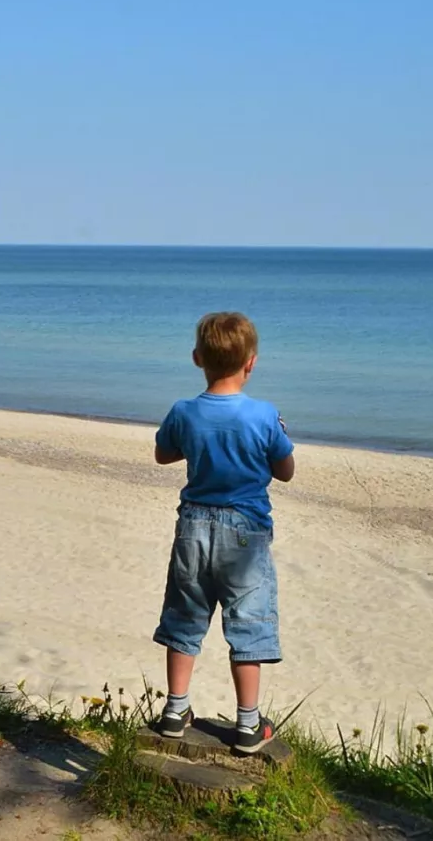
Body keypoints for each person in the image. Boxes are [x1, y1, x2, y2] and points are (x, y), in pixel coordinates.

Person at [151, 311, 294, 753]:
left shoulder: (185, 411)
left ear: (197, 358)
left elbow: (163, 454)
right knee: (247, 622)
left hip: (194, 523)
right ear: (251, 362)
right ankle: (248, 723)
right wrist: (279, 437)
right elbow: (285, 471)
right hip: (246, 532)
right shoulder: (264, 415)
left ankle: (176, 710)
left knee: (185, 616)